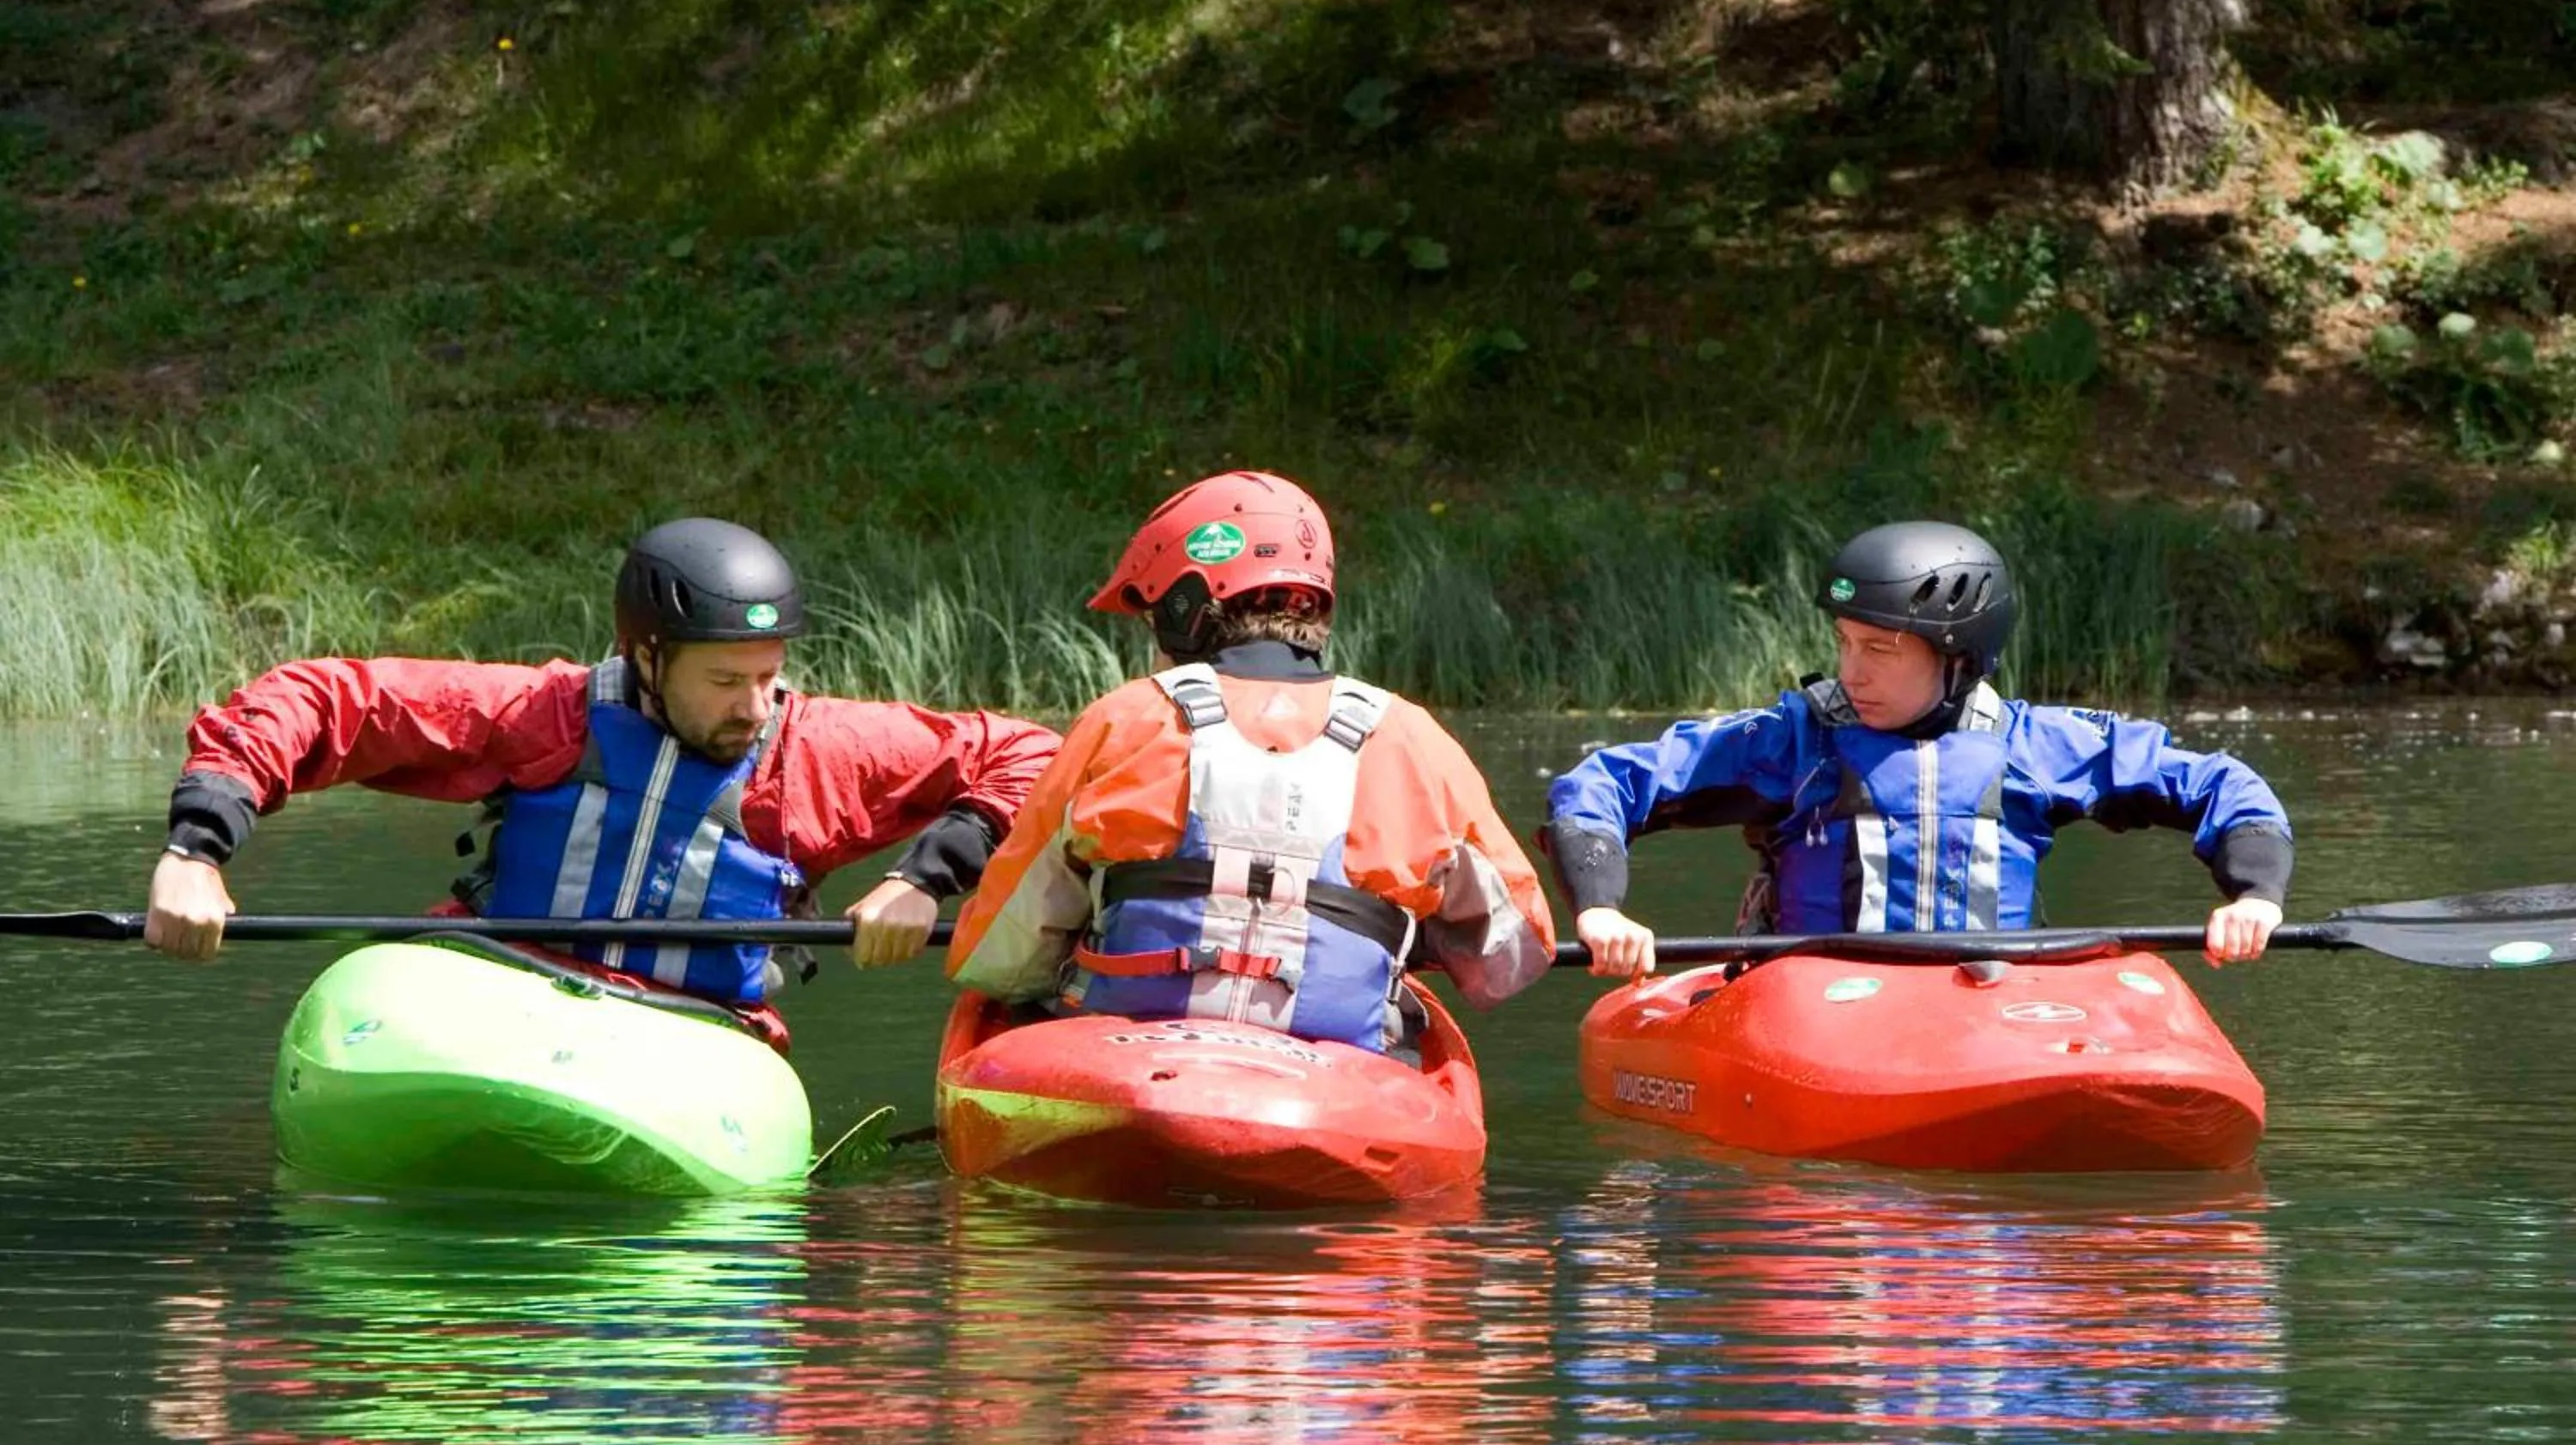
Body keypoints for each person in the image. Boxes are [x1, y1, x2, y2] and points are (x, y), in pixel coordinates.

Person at [145, 518, 1061, 1044]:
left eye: (768, 675)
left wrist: (925, 876)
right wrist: (196, 848)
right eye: (725, 679)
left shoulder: (820, 750)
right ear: (647, 656)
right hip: (492, 988)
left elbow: (1033, 755)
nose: (754, 704)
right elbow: (322, 699)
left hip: (688, 1038)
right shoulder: (545, 713)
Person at [946, 471, 1555, 1053]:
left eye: (1155, 614)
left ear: (1186, 607)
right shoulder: (1412, 735)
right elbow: (1515, 952)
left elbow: (1002, 954)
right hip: (1340, 1059)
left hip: (1124, 1039)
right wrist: (1409, 930)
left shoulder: (1124, 719)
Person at [1544, 520, 2292, 979]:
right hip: (1810, 1002)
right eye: (1844, 644)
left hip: (1987, 1003)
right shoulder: (1793, 740)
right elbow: (1603, 783)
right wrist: (1602, 913)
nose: (1850, 671)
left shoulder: (2037, 746)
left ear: (1959, 658)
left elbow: (2222, 785)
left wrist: (2254, 897)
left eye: (1879, 650)